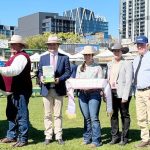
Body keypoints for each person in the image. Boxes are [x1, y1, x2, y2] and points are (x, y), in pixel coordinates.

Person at [0, 35, 32, 147]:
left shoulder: (22, 56)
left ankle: (23, 139)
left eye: (14, 44)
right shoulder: (14, 57)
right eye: (11, 44)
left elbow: (14, 71)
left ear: (21, 45)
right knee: (11, 113)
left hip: (21, 90)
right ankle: (11, 136)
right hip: (13, 91)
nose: (11, 46)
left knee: (21, 115)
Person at [38, 36, 71, 145]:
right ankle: (48, 136)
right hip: (46, 90)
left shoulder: (64, 58)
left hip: (58, 89)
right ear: (47, 46)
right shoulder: (42, 58)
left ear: (58, 45)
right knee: (47, 114)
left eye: (54, 44)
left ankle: (58, 136)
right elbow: (39, 71)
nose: (52, 46)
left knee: (58, 115)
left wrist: (59, 79)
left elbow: (68, 73)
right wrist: (41, 77)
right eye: (50, 44)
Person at [76, 46, 103, 148]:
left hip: (94, 94)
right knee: (86, 117)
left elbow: (100, 82)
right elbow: (77, 81)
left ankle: (97, 141)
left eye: (89, 55)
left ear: (92, 56)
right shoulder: (79, 67)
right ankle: (87, 138)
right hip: (82, 94)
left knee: (93, 118)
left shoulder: (98, 67)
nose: (87, 56)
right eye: (85, 55)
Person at [107, 43, 133, 145]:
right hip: (111, 92)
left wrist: (125, 96)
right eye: (114, 51)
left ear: (122, 52)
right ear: (112, 52)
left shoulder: (127, 63)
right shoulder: (109, 64)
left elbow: (129, 81)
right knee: (113, 115)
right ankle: (115, 137)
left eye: (118, 51)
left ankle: (124, 138)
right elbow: (107, 79)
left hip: (123, 93)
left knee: (124, 115)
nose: (116, 52)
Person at [133, 35, 150, 148]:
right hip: (138, 92)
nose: (140, 46)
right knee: (140, 117)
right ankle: (145, 139)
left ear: (147, 45)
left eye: (142, 44)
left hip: (148, 91)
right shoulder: (136, 59)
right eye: (138, 45)